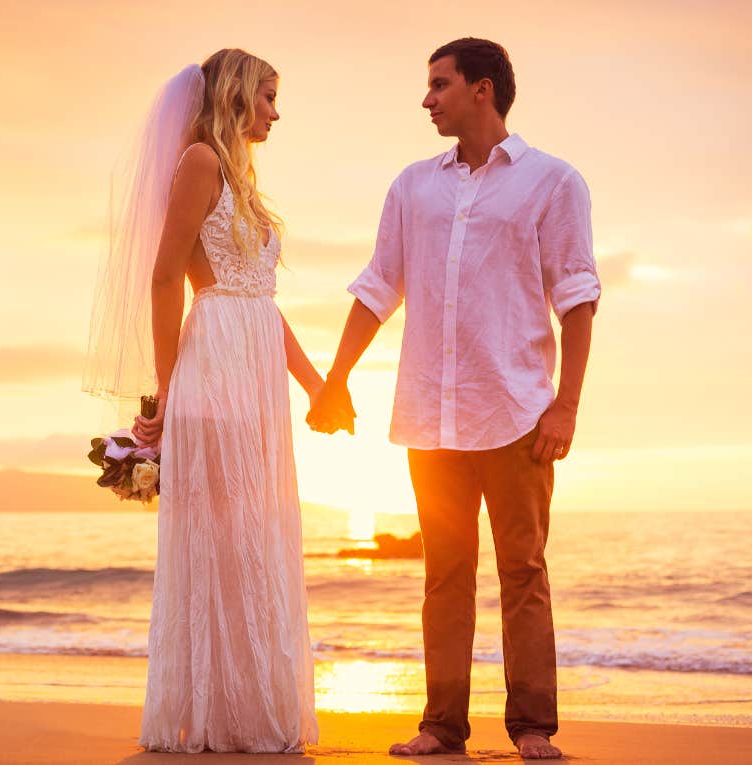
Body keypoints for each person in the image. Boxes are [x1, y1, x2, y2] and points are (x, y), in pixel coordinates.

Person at [308, 38, 600, 760]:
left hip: (516, 415)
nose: (427, 98)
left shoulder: (553, 182)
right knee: (443, 576)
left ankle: (533, 726)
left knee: (523, 572)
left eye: (439, 84)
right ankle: (442, 725)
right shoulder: (413, 186)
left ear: (482, 89)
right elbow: (378, 288)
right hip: (430, 417)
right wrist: (335, 377)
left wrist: (566, 406)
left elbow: (578, 298)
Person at [84, 48, 322, 753]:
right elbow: (165, 280)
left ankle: (246, 710)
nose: (277, 112)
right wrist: (164, 391)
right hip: (215, 365)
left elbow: (264, 304)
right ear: (238, 95)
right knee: (223, 542)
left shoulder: (242, 181)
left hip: (257, 372)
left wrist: (319, 389)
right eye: (269, 96)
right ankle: (216, 714)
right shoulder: (198, 163)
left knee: (256, 535)